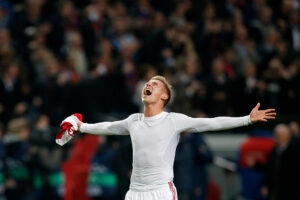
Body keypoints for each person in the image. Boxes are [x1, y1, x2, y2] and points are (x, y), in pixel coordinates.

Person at [73, 75, 276, 200]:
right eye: (148, 82)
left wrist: (247, 120)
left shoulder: (173, 120)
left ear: (164, 97)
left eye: (155, 84)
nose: (149, 84)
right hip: (134, 192)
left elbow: (212, 122)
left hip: (161, 192)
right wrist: (81, 126)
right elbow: (107, 127)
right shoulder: (133, 120)